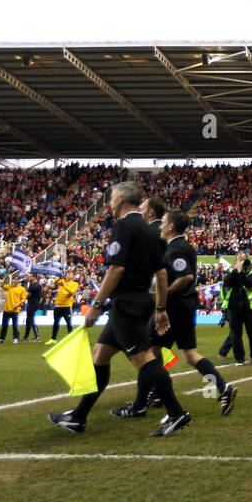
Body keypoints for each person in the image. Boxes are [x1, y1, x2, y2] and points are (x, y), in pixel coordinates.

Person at [47, 181, 191, 437]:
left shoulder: (125, 226)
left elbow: (116, 268)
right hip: (135, 304)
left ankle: (177, 413)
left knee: (143, 358)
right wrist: (160, 307)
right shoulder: (150, 231)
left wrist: (96, 305)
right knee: (100, 354)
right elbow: (160, 272)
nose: (109, 202)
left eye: (111, 197)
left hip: (127, 305)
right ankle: (78, 417)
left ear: (122, 198)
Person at [112, 209, 236, 419]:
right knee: (190, 355)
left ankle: (140, 405)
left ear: (171, 227)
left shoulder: (174, 249)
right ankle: (223, 389)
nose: (160, 226)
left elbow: (185, 276)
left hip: (174, 308)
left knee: (147, 353)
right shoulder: (185, 245)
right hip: (187, 306)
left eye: (163, 224)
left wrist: (164, 293)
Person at [222, 252, 252, 367]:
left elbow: (250, 283)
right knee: (236, 334)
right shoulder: (230, 271)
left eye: (243, 259)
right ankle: (239, 359)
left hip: (249, 307)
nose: (241, 261)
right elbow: (227, 282)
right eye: (239, 259)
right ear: (235, 261)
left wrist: (241, 272)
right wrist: (236, 270)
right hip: (233, 306)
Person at [49, 272, 80, 343]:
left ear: (73, 277)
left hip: (67, 306)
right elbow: (56, 280)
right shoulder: (63, 281)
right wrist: (60, 276)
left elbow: (72, 292)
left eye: (69, 274)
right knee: (56, 323)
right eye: (67, 274)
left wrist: (64, 286)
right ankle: (53, 339)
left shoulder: (75, 284)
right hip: (58, 305)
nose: (67, 275)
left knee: (69, 323)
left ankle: (71, 339)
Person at [0, 275, 26, 344]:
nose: (14, 280)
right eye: (13, 279)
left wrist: (18, 304)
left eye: (15, 279)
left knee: (15, 325)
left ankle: (15, 338)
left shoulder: (22, 289)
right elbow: (1, 285)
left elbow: (23, 299)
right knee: (4, 325)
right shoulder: (10, 287)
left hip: (15, 310)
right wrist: (5, 278)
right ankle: (1, 339)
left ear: (19, 280)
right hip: (7, 309)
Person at [23, 273, 43, 341]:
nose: (28, 277)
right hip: (35, 303)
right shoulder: (38, 285)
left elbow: (27, 296)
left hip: (32, 304)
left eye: (30, 276)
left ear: (34, 277)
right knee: (28, 320)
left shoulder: (32, 286)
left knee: (30, 320)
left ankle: (37, 337)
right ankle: (26, 337)